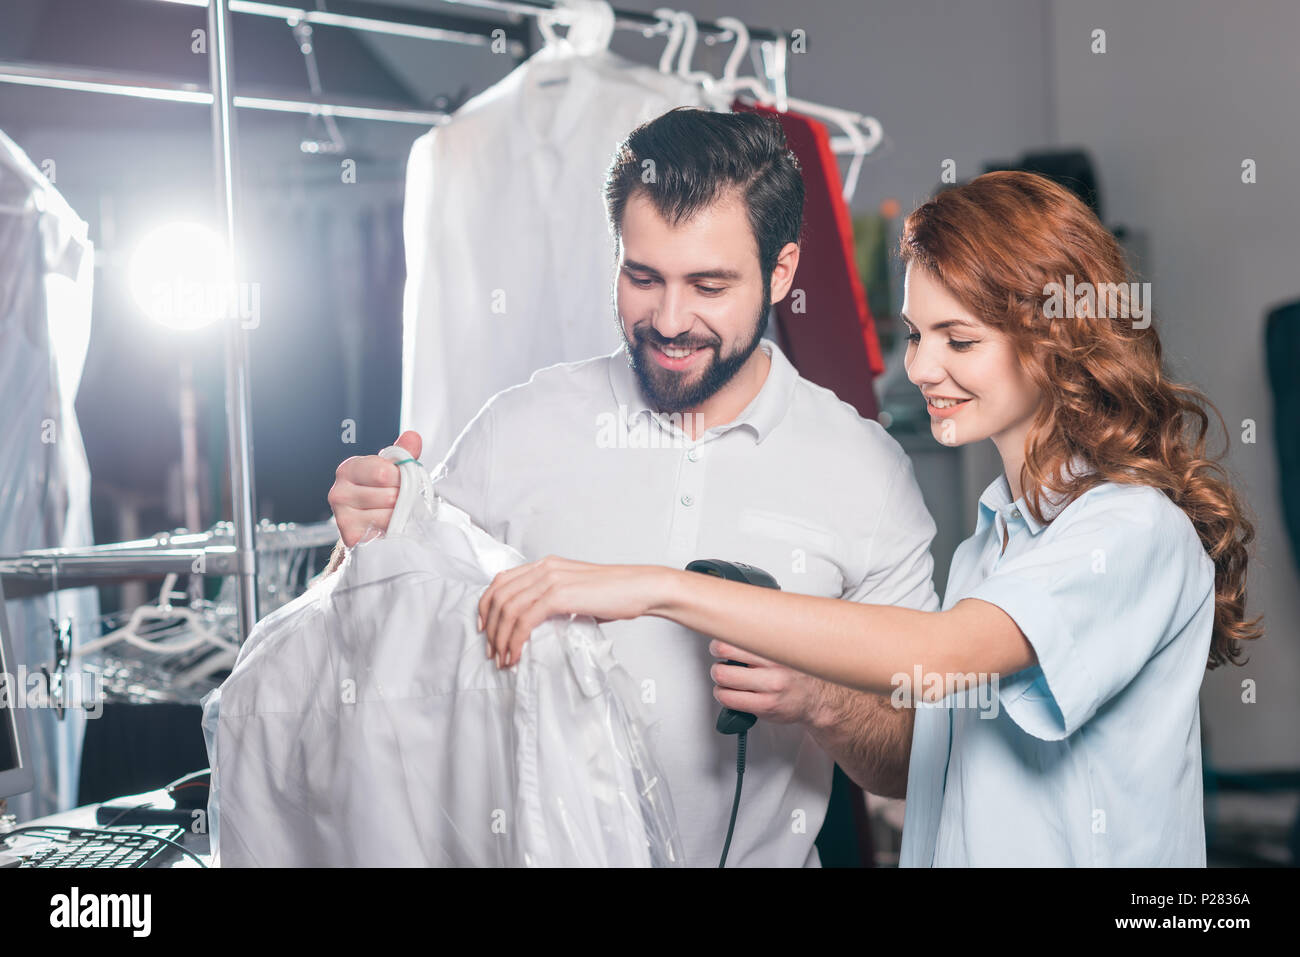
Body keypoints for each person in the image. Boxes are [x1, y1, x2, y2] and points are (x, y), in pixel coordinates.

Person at [478, 170, 1264, 866]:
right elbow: (929, 764)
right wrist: (814, 696)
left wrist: (653, 587)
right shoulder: (991, 543)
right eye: (918, 334)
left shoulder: (1130, 529)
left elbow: (946, 651)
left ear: (1054, 340)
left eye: (959, 339)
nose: (920, 367)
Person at [327, 107, 943, 867]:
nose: (670, 319)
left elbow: (919, 756)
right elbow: (392, 647)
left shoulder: (867, 472)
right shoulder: (516, 428)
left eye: (709, 285)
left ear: (781, 272)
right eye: (642, 276)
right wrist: (363, 541)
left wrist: (818, 698)